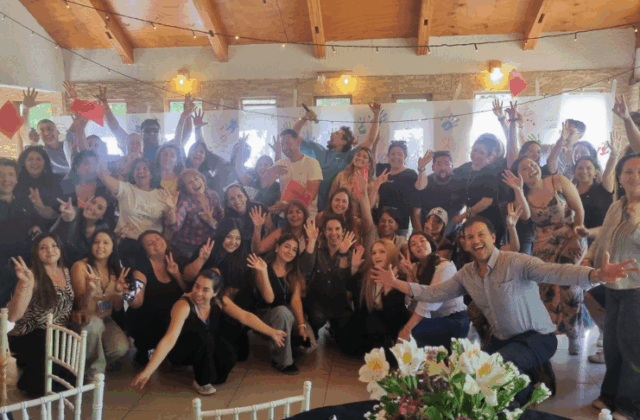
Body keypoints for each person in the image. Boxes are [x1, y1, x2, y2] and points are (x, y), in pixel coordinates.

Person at [372, 216, 637, 407]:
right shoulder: (466, 274)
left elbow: (555, 271)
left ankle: (524, 396)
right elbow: (434, 293)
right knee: (469, 377)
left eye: (480, 234)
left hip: (537, 338)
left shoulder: (516, 262)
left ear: (492, 237)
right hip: (501, 340)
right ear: (464, 243)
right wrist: (396, 283)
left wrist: (596, 275)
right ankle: (531, 379)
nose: (475, 240)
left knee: (491, 375)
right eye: (469, 237)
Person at [131, 269, 287, 395]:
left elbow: (244, 316)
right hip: (180, 350)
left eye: (205, 289)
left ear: (215, 292)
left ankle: (205, 370)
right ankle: (200, 381)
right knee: (206, 338)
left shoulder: (219, 301)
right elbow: (169, 339)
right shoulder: (183, 305)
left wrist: (271, 331)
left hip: (205, 346)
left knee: (227, 358)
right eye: (196, 286)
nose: (198, 293)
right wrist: (148, 371)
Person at [511, 156, 590, 354]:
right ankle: (549, 334)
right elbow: (525, 216)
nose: (531, 168)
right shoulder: (523, 194)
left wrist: (576, 236)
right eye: (524, 168)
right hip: (544, 245)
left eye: (532, 164)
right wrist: (518, 189)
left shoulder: (558, 180)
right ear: (519, 175)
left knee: (569, 287)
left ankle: (574, 334)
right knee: (545, 290)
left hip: (571, 238)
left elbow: (579, 209)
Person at [586, 153, 640, 420]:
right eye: (628, 171)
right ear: (619, 177)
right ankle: (610, 395)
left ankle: (631, 407)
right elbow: (603, 238)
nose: (635, 177)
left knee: (632, 347)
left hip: (636, 288)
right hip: (613, 286)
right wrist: (589, 256)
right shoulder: (616, 206)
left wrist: (635, 222)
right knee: (612, 344)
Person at [7, 234, 75, 398]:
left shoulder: (66, 272)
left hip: (58, 331)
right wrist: (24, 285)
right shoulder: (32, 275)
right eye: (43, 247)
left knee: (69, 380)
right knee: (40, 389)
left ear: (60, 249)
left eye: (53, 245)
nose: (49, 250)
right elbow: (14, 316)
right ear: (36, 253)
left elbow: (68, 302)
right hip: (30, 333)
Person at [292, 103, 382, 210]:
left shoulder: (348, 157)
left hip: (336, 209)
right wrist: (304, 118)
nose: (332, 133)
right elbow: (293, 137)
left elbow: (370, 140)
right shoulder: (319, 150)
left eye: (337, 133)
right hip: (313, 207)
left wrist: (376, 115)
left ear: (344, 142)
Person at [334, 238, 410, 359]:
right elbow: (346, 289)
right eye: (374, 253)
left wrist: (388, 291)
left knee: (372, 320)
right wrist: (354, 268)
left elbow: (394, 316)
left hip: (390, 326)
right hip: (370, 325)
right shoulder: (368, 275)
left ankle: (386, 353)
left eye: (382, 252)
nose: (377, 256)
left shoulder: (400, 277)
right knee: (344, 327)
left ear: (390, 253)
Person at [70, 230, 130, 377]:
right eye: (96, 242)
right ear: (91, 245)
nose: (100, 246)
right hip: (84, 318)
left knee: (120, 348)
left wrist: (118, 292)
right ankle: (92, 375)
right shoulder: (81, 266)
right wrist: (91, 291)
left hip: (106, 319)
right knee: (94, 324)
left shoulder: (115, 271)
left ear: (113, 247)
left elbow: (117, 307)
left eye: (106, 242)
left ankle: (85, 364)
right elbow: (81, 306)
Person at [247, 234, 308, 373]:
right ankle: (281, 361)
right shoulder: (262, 267)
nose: (290, 252)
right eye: (287, 246)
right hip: (266, 315)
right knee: (282, 312)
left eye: (294, 249)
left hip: (288, 316)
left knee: (307, 347)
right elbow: (269, 299)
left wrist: (301, 327)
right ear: (277, 247)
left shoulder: (293, 271)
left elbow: (296, 300)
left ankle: (286, 343)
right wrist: (263, 272)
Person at [397, 232, 468, 351]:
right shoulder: (415, 268)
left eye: (422, 240)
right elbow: (411, 304)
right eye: (413, 244)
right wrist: (409, 275)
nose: (419, 245)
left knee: (414, 330)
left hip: (456, 320)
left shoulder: (444, 266)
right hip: (435, 319)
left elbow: (430, 302)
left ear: (431, 244)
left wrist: (407, 329)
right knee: (402, 322)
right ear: (411, 252)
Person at [127, 231, 187, 365]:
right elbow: (137, 302)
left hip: (172, 318)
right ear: (145, 250)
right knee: (145, 361)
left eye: (157, 238)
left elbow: (187, 291)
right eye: (149, 243)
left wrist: (177, 274)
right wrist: (128, 294)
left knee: (178, 358)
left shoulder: (176, 258)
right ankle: (145, 350)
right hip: (146, 321)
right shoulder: (141, 267)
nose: (155, 243)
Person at [98, 158, 176, 263]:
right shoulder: (126, 188)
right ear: (133, 173)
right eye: (137, 169)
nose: (141, 171)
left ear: (151, 174)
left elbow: (172, 224)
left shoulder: (162, 194)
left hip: (152, 246)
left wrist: (171, 209)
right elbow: (104, 176)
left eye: (145, 168)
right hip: (127, 244)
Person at [298, 216, 359, 339]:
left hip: (340, 304)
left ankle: (334, 330)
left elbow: (346, 283)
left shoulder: (350, 255)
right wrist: (311, 241)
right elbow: (305, 269)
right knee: (317, 319)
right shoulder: (317, 251)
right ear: (325, 232)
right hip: (317, 303)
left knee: (347, 334)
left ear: (343, 231)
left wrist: (343, 254)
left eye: (337, 229)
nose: (333, 233)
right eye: (329, 229)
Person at [264, 129, 323, 218]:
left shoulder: (312, 163)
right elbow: (265, 184)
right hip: (285, 216)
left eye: (288, 143)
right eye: (282, 144)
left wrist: (288, 206)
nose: (284, 148)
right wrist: (269, 171)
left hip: (306, 216)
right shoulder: (280, 163)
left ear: (298, 142)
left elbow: (311, 195)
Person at [168, 169, 223, 259]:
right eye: (190, 182)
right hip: (187, 246)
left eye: (196, 178)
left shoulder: (213, 195)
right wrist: (171, 210)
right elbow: (175, 227)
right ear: (185, 188)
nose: (195, 183)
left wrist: (211, 221)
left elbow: (221, 222)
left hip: (209, 243)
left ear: (202, 179)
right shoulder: (185, 202)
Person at [51, 195, 115, 266]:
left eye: (99, 207)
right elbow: (51, 236)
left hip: (81, 267)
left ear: (102, 216)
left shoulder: (103, 228)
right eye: (93, 202)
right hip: (56, 261)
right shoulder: (72, 212)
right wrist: (67, 219)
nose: (92, 207)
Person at [0, 158, 42, 264]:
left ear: (16, 179)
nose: (6, 179)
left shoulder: (24, 201)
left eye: (11, 174)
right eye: (1, 175)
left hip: (29, 261)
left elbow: (35, 228)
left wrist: (35, 228)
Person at [413, 151, 465, 236]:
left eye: (447, 164)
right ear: (433, 167)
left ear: (452, 167)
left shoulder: (459, 183)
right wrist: (419, 232)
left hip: (452, 232)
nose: (443, 168)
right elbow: (416, 211)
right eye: (439, 164)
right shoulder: (424, 182)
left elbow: (467, 208)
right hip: (426, 231)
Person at [376, 141, 419, 235]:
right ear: (388, 156)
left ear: (405, 157)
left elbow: (416, 202)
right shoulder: (382, 171)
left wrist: (416, 228)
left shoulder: (411, 175)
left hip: (401, 226)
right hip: (381, 223)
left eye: (400, 154)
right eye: (393, 154)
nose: (396, 157)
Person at [14, 146, 64, 226]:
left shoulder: (55, 181)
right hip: (22, 226)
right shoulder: (15, 182)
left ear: (45, 162)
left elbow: (56, 215)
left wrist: (40, 206)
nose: (35, 162)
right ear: (24, 162)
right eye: (30, 159)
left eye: (39, 159)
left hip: (49, 227)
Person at [328, 147, 380, 219]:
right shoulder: (341, 175)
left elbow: (369, 208)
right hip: (338, 216)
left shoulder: (371, 183)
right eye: (358, 155)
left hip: (357, 219)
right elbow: (331, 196)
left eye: (364, 157)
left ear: (369, 163)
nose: (360, 158)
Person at [223, 184, 270, 251]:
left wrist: (258, 227)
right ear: (228, 203)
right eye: (232, 199)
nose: (237, 201)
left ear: (245, 197)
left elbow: (271, 231)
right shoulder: (228, 220)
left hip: (264, 247)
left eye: (239, 196)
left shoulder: (259, 208)